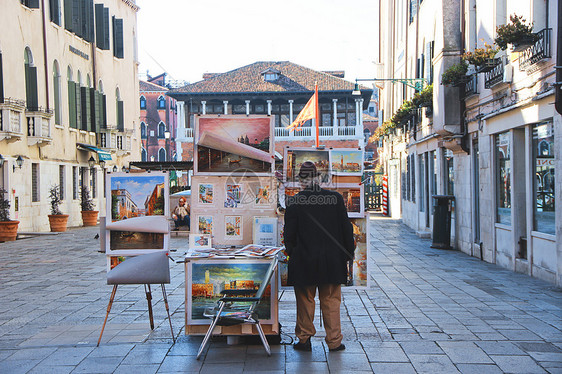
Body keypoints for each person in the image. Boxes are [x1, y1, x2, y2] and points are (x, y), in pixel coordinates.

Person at [284, 161, 355, 352]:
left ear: (300, 181)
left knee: (305, 300)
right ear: (318, 179)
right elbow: (346, 230)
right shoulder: (336, 199)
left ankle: (304, 339)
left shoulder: (294, 202)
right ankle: (334, 341)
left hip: (304, 259)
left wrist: (292, 251)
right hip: (332, 260)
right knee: (331, 300)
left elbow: (288, 235)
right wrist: (349, 253)